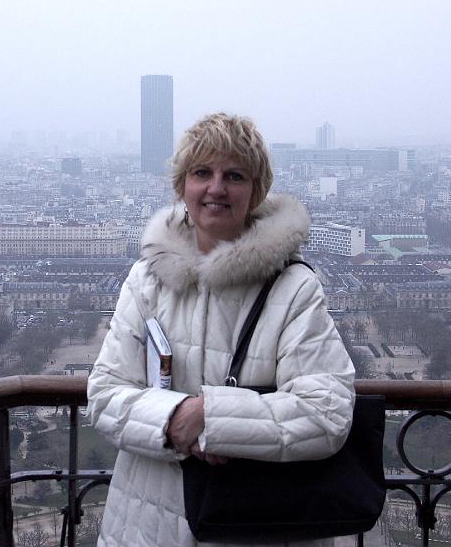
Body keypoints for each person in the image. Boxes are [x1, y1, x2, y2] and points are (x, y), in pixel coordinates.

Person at [86, 113, 356, 547]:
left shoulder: (294, 287)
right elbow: (102, 395)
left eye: (233, 175)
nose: (215, 188)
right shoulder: (146, 279)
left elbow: (328, 414)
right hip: (149, 523)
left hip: (249, 524)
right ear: (182, 186)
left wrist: (210, 417)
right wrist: (177, 420)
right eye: (201, 173)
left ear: (255, 191)